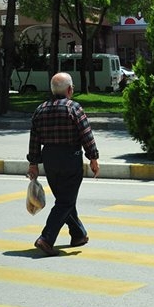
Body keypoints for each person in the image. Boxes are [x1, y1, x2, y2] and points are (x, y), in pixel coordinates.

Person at [26, 72, 100, 256]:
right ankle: (46, 238)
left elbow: (34, 139)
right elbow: (86, 135)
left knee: (64, 200)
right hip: (70, 158)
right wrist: (93, 158)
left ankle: (78, 234)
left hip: (50, 159)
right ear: (69, 90)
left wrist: (33, 163)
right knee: (66, 201)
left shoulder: (40, 109)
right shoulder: (74, 108)